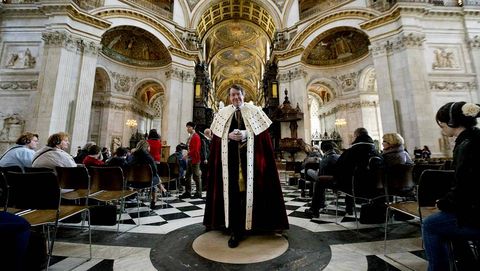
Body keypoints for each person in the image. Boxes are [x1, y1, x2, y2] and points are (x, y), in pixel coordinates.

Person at [203, 84, 289, 248]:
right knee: (233, 195)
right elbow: (216, 140)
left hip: (252, 165)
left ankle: (256, 224)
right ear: (229, 98)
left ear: (243, 95)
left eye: (238, 94)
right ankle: (235, 230)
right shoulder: (223, 113)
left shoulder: (254, 111)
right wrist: (226, 136)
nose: (235, 98)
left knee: (252, 194)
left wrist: (246, 134)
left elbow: (263, 138)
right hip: (230, 165)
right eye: (232, 95)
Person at [422, 101, 480, 271]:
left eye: (441, 123)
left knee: (431, 224)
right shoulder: (473, 138)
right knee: (446, 222)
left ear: (452, 122)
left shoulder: (467, 145)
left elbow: (466, 185)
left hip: (476, 213)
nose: (441, 127)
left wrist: (444, 203)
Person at [334, 127, 382, 215]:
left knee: (349, 177)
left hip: (355, 187)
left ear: (356, 136)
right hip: (377, 187)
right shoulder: (376, 152)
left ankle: (349, 208)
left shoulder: (351, 152)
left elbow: (339, 167)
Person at [305, 141, 340, 218]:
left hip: (331, 181)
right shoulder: (339, 156)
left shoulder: (325, 160)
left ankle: (314, 209)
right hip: (341, 181)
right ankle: (319, 203)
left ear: (323, 150)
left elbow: (321, 174)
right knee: (318, 179)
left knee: (311, 174)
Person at [128, 140, 164, 206]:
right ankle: (154, 199)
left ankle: (133, 195)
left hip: (134, 182)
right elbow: (154, 170)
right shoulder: (149, 157)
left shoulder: (132, 157)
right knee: (154, 176)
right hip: (148, 182)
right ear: (147, 147)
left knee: (153, 176)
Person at [179, 122, 202, 199]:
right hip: (190, 159)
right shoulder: (191, 137)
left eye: (189, 127)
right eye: (187, 127)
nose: (187, 129)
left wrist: (187, 155)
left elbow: (195, 149)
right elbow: (190, 147)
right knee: (187, 176)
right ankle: (187, 192)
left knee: (196, 176)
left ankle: (198, 192)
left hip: (195, 159)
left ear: (193, 128)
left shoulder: (196, 136)